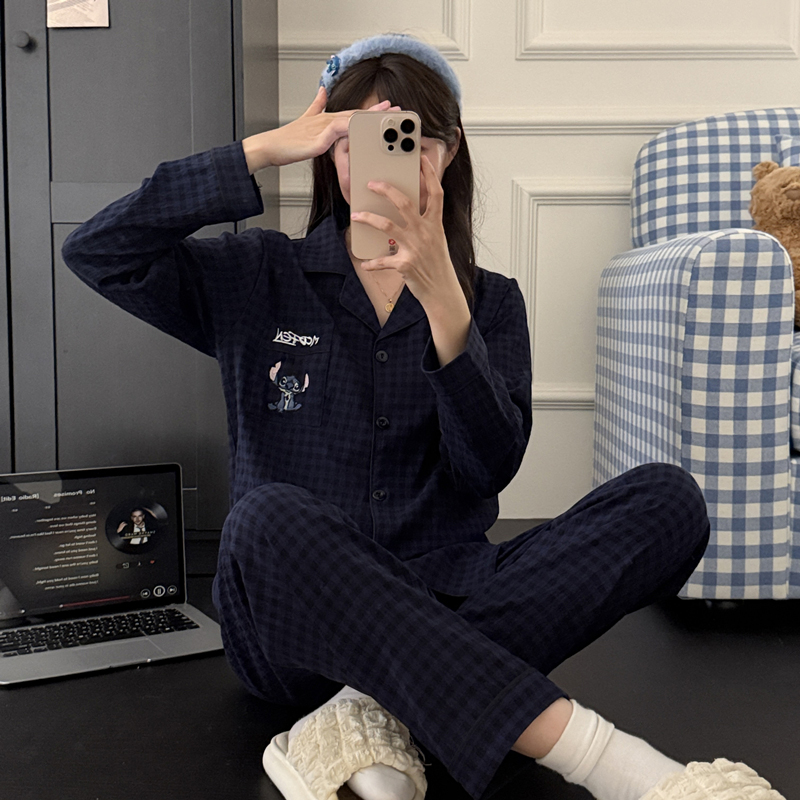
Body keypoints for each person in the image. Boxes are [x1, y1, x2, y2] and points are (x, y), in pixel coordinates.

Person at [61, 33, 784, 800]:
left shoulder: (490, 301)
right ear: (327, 152)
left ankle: (363, 717)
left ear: (448, 150)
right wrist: (261, 151)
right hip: (296, 622)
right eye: (355, 140)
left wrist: (444, 302)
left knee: (670, 500)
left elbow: (487, 469)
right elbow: (99, 251)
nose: (381, 163)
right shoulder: (258, 273)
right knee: (264, 519)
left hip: (452, 592)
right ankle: (608, 760)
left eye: (408, 141)